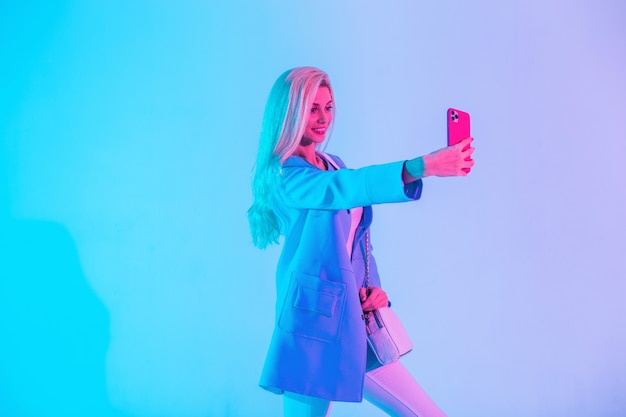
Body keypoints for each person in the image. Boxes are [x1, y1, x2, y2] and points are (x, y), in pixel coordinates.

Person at [248, 67, 474, 417]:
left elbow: (357, 241)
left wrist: (373, 289)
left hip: (355, 322)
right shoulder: (285, 176)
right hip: (313, 326)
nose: (323, 118)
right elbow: (340, 191)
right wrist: (421, 166)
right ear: (290, 112)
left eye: (329, 107)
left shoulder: (332, 163)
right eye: (312, 109)